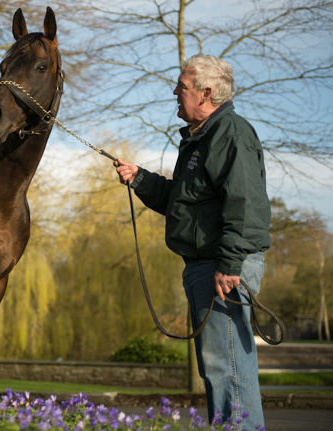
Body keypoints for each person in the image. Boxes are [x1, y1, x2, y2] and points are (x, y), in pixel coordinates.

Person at [115, 53, 270, 430]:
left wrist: (229, 265)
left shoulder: (230, 133)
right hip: (208, 266)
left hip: (221, 266)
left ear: (206, 93)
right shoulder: (201, 139)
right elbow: (182, 203)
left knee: (227, 366)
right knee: (217, 366)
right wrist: (141, 179)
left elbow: (245, 204)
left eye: (181, 87)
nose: (174, 91)